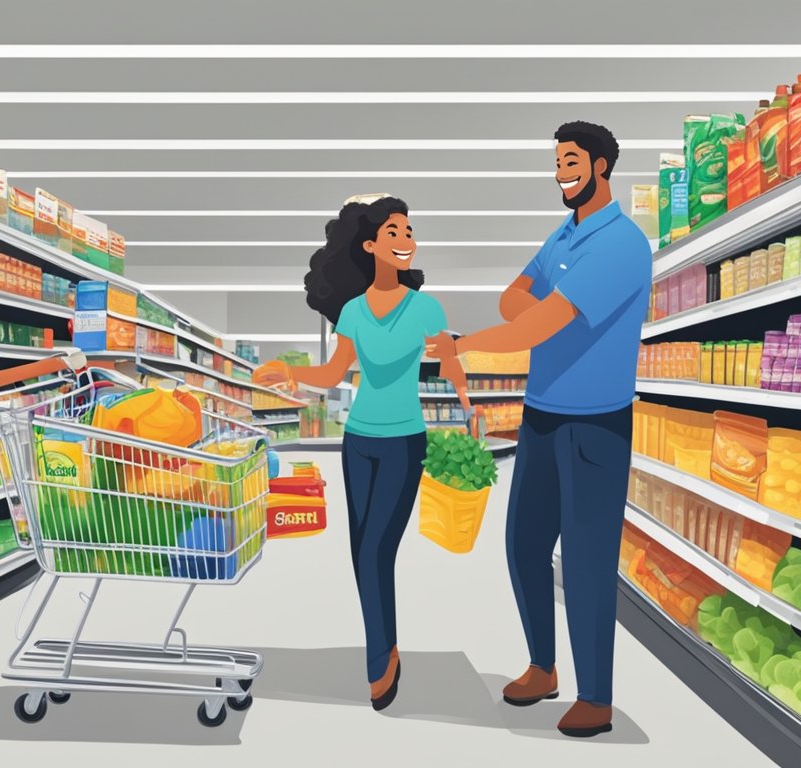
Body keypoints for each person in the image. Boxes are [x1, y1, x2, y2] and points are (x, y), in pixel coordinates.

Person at [426, 121, 651, 738]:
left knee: (586, 561)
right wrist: (556, 316)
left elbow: (526, 327)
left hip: (596, 425)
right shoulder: (563, 234)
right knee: (523, 546)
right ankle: (542, 667)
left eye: (571, 161)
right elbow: (513, 300)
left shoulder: (623, 244)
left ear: (602, 165)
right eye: (556, 163)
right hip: (542, 416)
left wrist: (470, 343)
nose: (561, 173)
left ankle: (597, 697)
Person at [255, 194, 467, 711]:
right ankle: (388, 645)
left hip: (403, 442)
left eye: (409, 231)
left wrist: (467, 405)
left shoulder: (425, 308)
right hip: (360, 442)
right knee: (362, 555)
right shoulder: (352, 311)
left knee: (376, 551)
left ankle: (380, 660)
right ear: (370, 244)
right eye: (394, 233)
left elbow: (449, 359)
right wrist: (289, 373)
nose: (406, 241)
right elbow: (333, 375)